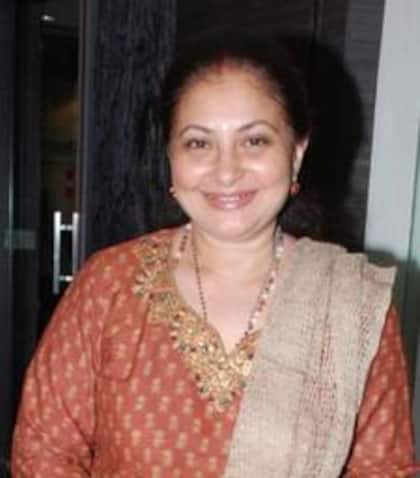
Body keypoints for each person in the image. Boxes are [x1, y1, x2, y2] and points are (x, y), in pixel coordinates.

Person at [12, 31, 420, 477]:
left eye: (255, 141)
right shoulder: (108, 285)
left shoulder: (351, 305)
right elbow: (43, 450)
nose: (227, 171)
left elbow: (383, 469)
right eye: (198, 143)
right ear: (170, 156)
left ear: (297, 152)